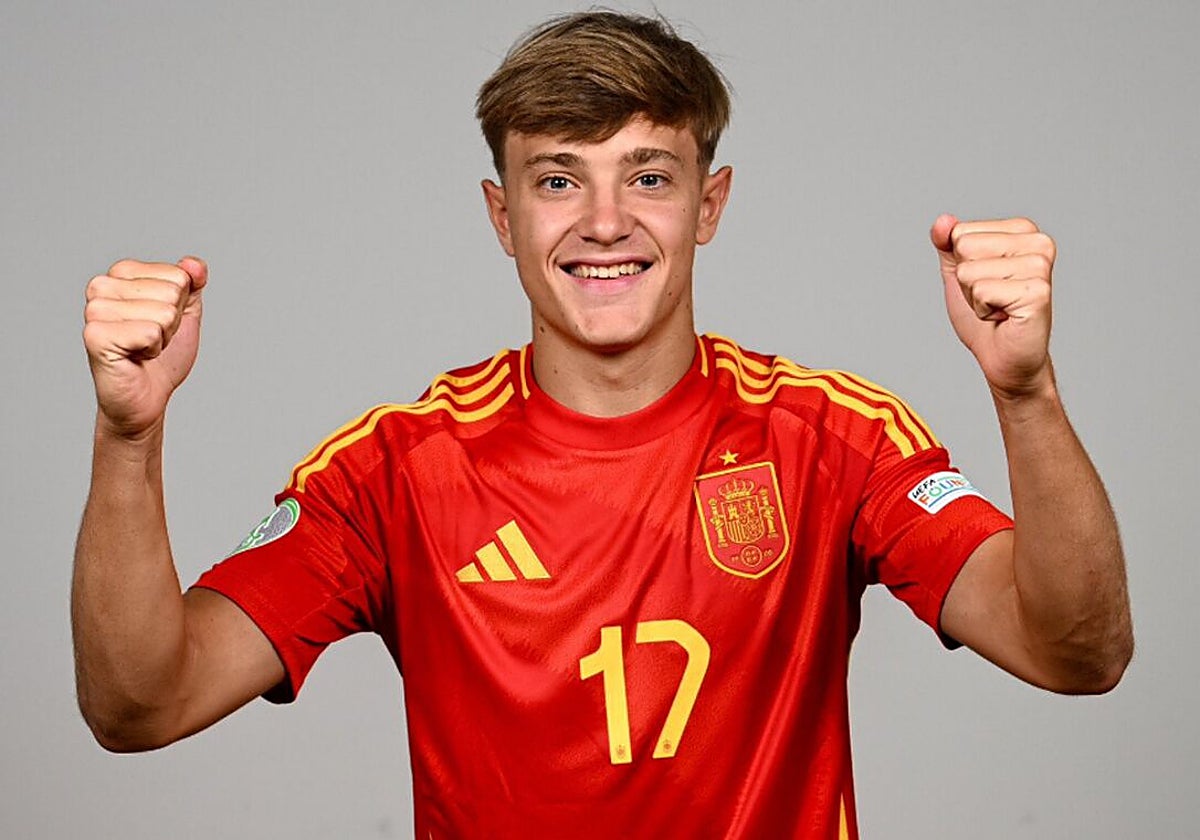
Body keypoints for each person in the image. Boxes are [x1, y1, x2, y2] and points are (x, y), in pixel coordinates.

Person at [73, 11, 1132, 839]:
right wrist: (130, 440)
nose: (607, 222)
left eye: (649, 176)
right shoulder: (397, 470)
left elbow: (1076, 654)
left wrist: (1025, 393)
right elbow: (141, 707)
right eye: (557, 180)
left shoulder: (826, 437)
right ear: (504, 218)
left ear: (709, 207)